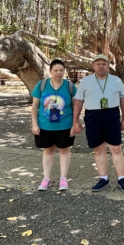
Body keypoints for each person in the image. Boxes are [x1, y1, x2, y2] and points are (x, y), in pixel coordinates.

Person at [73, 54, 124, 193]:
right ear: (93, 66)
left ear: (108, 65)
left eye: (104, 63)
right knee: (98, 149)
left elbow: (123, 100)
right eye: (98, 64)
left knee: (116, 148)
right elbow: (79, 101)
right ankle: (103, 178)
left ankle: (121, 178)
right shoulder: (85, 81)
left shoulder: (116, 80)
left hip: (111, 114)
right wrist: (75, 121)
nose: (101, 66)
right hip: (93, 116)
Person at [31, 60, 77, 191]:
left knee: (64, 150)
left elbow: (76, 106)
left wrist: (75, 123)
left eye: (61, 70)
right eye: (56, 70)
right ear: (50, 71)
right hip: (45, 125)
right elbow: (34, 106)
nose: (58, 73)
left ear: (64, 71)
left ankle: (63, 178)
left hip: (65, 125)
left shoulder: (70, 86)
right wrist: (34, 124)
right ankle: (46, 178)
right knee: (48, 150)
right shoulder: (42, 85)